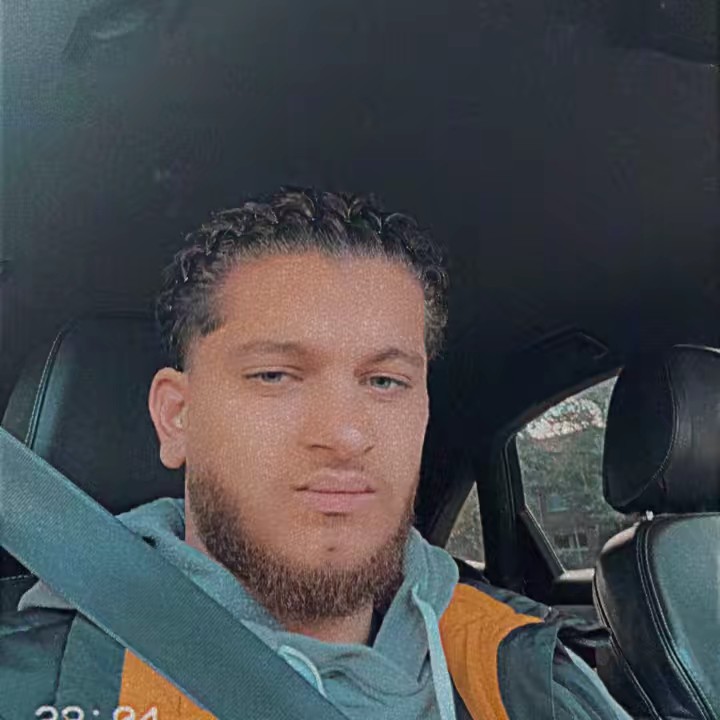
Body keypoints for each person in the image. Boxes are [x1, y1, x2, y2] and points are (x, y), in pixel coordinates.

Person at [1, 188, 631, 720]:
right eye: (275, 375)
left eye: (385, 381)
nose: (346, 435)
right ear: (176, 416)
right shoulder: (33, 681)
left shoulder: (526, 670)